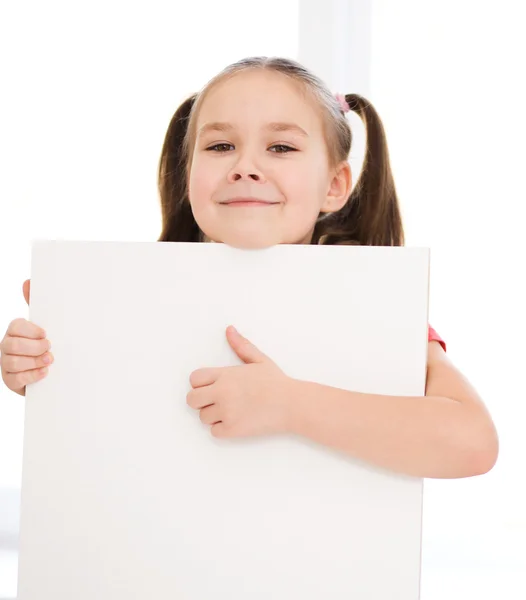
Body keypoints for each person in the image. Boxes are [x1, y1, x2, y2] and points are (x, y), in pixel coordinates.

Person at [0, 57, 498, 480]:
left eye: (280, 147)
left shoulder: (375, 310)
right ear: (188, 170)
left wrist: (290, 405)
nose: (245, 166)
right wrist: (35, 369)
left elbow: (473, 443)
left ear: (334, 184)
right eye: (220, 146)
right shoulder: (133, 299)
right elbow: (103, 423)